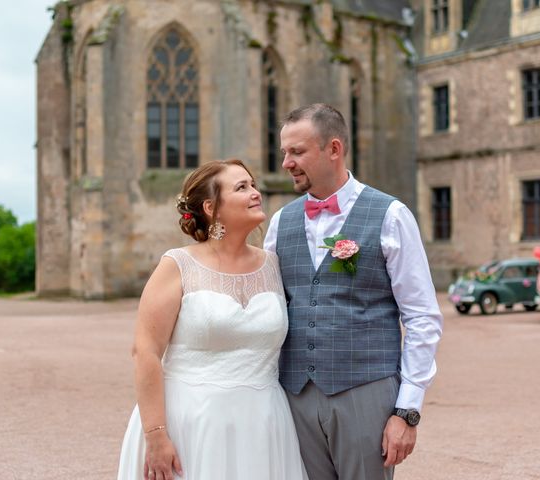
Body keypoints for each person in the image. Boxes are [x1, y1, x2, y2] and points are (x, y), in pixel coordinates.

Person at [264, 104, 443, 480]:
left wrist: (407, 410)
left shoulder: (391, 215)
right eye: (284, 152)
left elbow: (422, 317)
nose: (286, 163)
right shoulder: (281, 222)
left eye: (297, 152)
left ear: (334, 149)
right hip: (294, 396)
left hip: (365, 392)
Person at [118, 159, 307, 480]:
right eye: (241, 187)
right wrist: (156, 435)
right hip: (190, 422)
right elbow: (145, 351)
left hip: (264, 424)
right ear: (211, 207)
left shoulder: (275, 265)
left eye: (253, 185)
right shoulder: (177, 265)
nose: (255, 193)